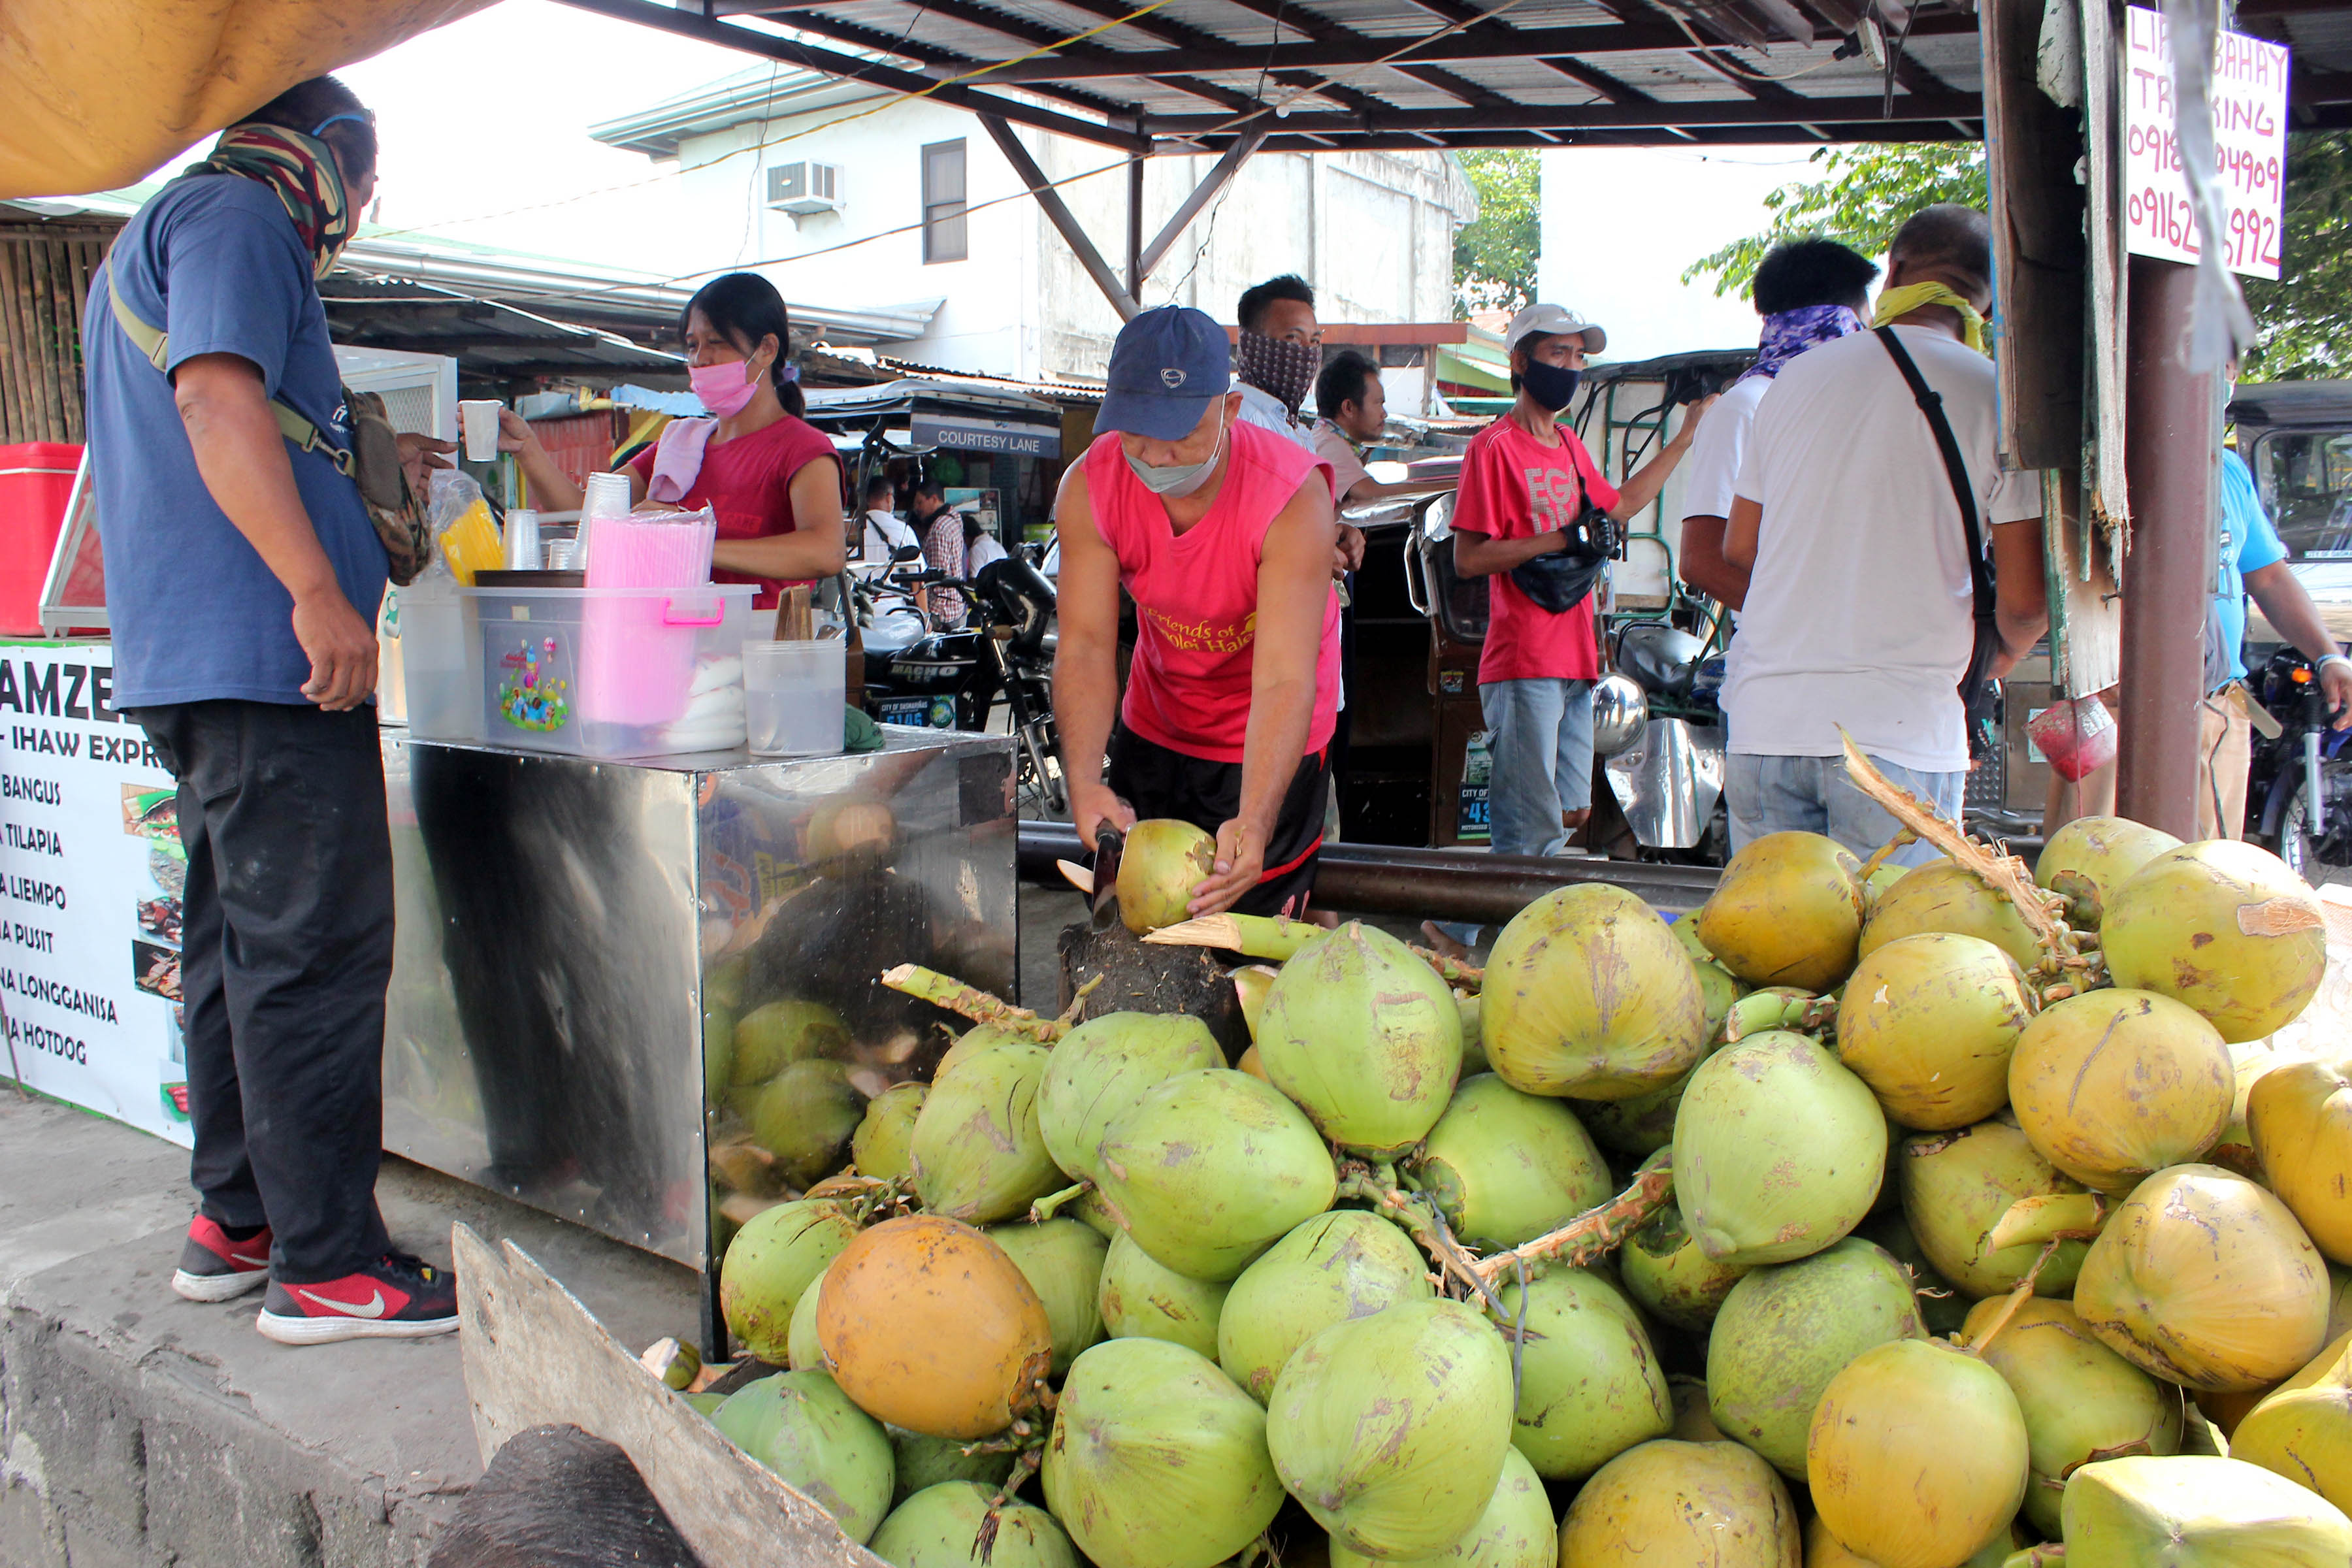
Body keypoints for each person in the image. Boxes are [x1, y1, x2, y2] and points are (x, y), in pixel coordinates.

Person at [83, 76, 463, 1343]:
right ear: (331, 162)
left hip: (197, 659)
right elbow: (212, 396)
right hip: (267, 660)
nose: (359, 209)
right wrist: (317, 588)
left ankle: (237, 1217)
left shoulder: (164, 232)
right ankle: (327, 1263)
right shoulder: (239, 219)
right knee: (312, 954)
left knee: (238, 948)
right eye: (365, 182)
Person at [1721, 204, 2048, 862]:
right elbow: (2025, 603)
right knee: (1898, 961)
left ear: (1894, 271)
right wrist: (1993, 664)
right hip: (1901, 736)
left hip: (1766, 726)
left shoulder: (1791, 383)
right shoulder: (1999, 400)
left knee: (1770, 960)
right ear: (1988, 296)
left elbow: (1740, 549)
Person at [1426, 304, 1710, 954]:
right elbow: (1469, 556)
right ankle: (1498, 946)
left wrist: (1689, 435)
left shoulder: (1571, 447)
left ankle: (1465, 929)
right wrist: (1561, 536)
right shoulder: (1494, 449)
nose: (1572, 369)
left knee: (1569, 815)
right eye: (1559, 355)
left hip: (1578, 657)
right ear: (1520, 361)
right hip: (1524, 659)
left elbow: (1622, 504)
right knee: (1531, 827)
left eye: (1580, 358)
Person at [1054, 304, 1341, 919]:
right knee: (1138, 923)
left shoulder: (1292, 498)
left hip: (1265, 737)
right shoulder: (1089, 487)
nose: (1155, 458)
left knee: (1248, 932)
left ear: (1230, 411)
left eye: (1180, 435)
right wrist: (1082, 780)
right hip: (1158, 723)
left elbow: (1285, 678)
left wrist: (1258, 816)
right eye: (1137, 433)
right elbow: (1082, 645)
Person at [502, 272, 846, 607]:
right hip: (676, 645)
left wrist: (686, 540)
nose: (700, 359)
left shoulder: (803, 449)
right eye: (693, 346)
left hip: (761, 651)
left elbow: (826, 551)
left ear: (767, 349)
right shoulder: (680, 445)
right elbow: (584, 516)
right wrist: (527, 448)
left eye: (716, 343)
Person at [1678, 239, 1880, 611]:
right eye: (1864, 325)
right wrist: (1807, 622)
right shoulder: (1746, 407)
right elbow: (1701, 561)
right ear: (1834, 325)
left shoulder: (1851, 411)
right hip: (1789, 658)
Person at [2199, 439, 2352, 838]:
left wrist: (2329, 658)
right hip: (2118, 709)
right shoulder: (2109, 463)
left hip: (2217, 708)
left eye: (2229, 370)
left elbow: (2268, 576)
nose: (2223, 375)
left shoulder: (2227, 470)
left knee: (2208, 875)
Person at [1311, 351, 1454, 508]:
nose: (1384, 414)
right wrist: (1458, 488)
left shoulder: (1326, 437)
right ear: (1349, 408)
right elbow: (1372, 494)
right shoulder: (1331, 446)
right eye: (1378, 403)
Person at [1233, 274, 1321, 451]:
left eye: (1315, 341)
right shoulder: (1243, 423)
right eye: (1294, 338)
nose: (1308, 351)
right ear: (1251, 345)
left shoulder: (1293, 427)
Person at [907, 474, 968, 628]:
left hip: (944, 615)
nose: (917, 509)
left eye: (920, 503)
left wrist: (930, 617)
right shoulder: (952, 519)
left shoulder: (938, 530)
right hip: (956, 608)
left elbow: (938, 579)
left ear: (934, 499)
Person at [858, 471, 918, 566]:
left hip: (856, 581)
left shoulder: (851, 531)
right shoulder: (904, 531)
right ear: (889, 498)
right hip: (889, 581)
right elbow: (917, 573)